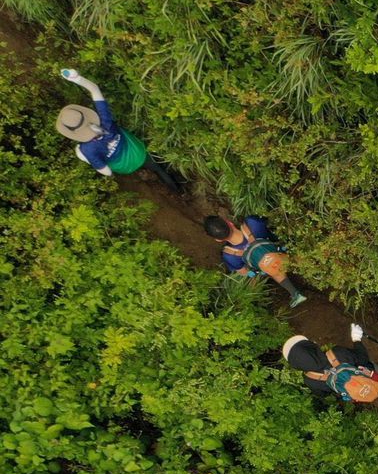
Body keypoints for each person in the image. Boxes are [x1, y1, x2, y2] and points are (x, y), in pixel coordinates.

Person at [55, 69, 185, 191]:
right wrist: (76, 78)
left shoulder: (86, 150)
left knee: (135, 169)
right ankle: (178, 189)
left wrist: (83, 156)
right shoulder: (104, 119)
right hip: (139, 152)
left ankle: (152, 181)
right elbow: (94, 89)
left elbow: (107, 172)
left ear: (72, 133)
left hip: (126, 167)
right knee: (159, 169)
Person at [203, 214, 307, 308]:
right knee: (284, 257)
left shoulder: (229, 255)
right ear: (229, 222)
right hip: (281, 252)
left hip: (271, 267)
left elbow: (244, 272)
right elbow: (270, 222)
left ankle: (295, 293)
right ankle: (311, 264)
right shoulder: (251, 222)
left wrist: (254, 272)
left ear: (218, 240)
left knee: (270, 268)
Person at [283, 325, 378, 405]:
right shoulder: (336, 353)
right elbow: (362, 358)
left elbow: (323, 394)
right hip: (369, 373)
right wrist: (356, 340)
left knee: (376, 389)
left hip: (356, 390)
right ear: (312, 347)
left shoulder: (309, 380)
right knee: (375, 370)